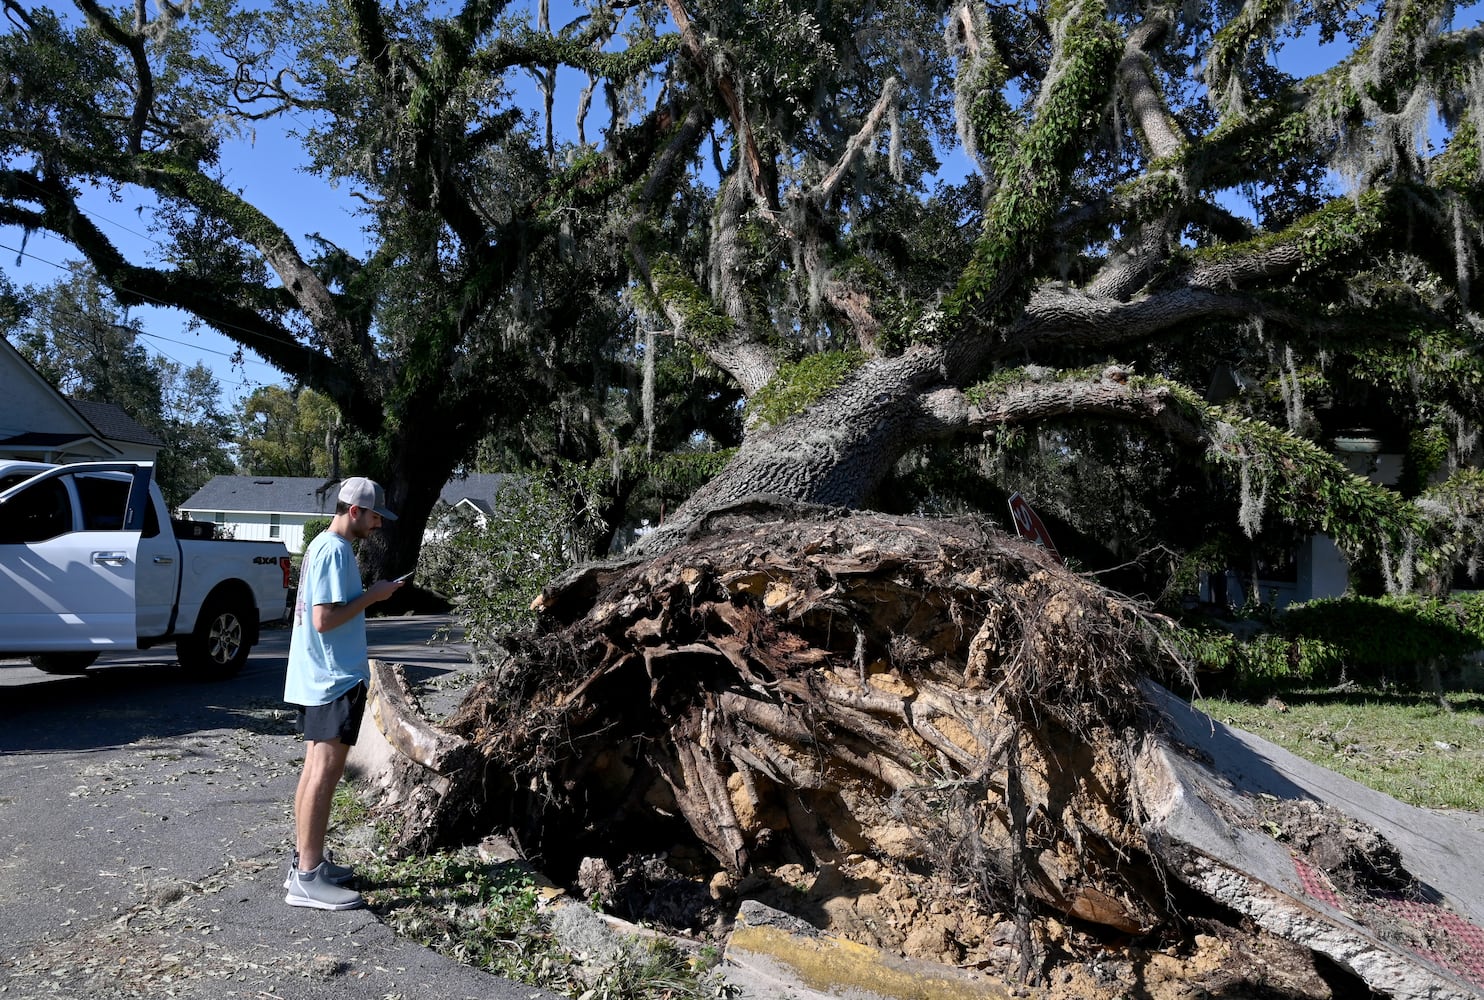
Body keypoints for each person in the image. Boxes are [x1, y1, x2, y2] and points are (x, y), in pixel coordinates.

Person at [282, 476, 404, 910]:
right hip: (333, 679)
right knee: (324, 774)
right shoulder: (335, 550)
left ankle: (306, 865)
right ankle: (308, 881)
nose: (378, 524)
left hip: (317, 676)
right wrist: (375, 595)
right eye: (374, 516)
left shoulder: (320, 544)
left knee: (314, 770)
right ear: (354, 511)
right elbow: (324, 619)